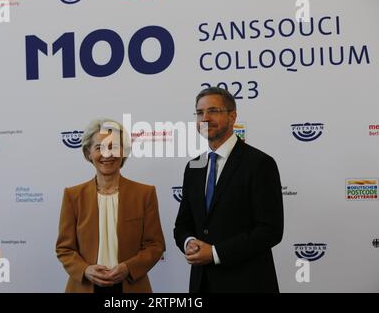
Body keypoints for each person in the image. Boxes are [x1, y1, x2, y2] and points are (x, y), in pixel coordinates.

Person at [174, 87, 284, 293]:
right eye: (199, 113)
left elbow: (270, 231)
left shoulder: (260, 163)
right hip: (201, 284)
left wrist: (216, 253)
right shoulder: (194, 167)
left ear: (232, 116)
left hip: (247, 283)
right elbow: (182, 225)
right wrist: (189, 242)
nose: (205, 118)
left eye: (213, 111)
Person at [56, 119, 165, 293]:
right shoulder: (73, 196)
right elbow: (65, 248)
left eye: (113, 147)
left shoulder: (144, 193)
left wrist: (128, 268)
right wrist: (85, 270)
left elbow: (155, 245)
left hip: (131, 285)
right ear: (88, 153)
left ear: (123, 152)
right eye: (99, 148)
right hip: (84, 286)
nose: (107, 154)